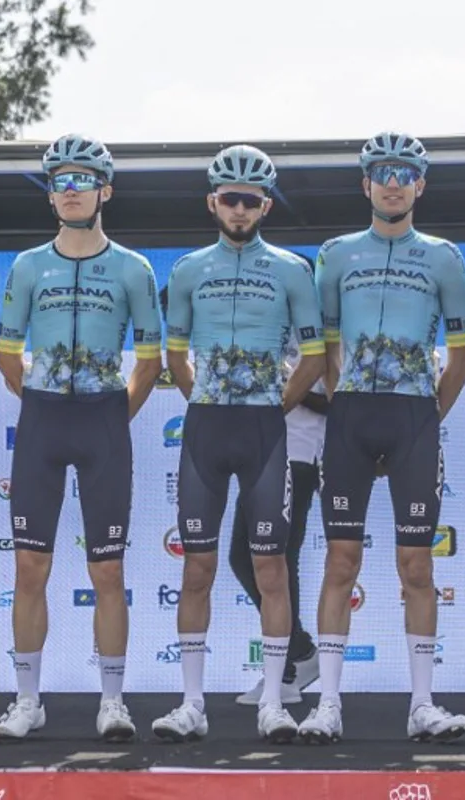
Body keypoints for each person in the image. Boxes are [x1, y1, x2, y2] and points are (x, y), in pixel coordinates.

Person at [299, 132, 465, 745]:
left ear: (420, 185)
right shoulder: (336, 253)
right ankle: (327, 704)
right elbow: (323, 346)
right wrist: (343, 398)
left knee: (415, 564)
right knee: (340, 561)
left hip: (413, 420)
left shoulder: (444, 257)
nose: (393, 181)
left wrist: (428, 415)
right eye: (382, 172)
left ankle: (422, 703)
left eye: (405, 172)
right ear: (365, 183)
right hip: (349, 418)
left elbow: (460, 354)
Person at [0, 134, 163, 743]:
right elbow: (7, 354)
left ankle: (112, 701)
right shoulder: (27, 265)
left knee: (107, 572)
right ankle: (27, 700)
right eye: (59, 181)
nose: (69, 191)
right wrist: (39, 402)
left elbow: (148, 358)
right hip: (42, 419)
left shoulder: (133, 269)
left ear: (104, 191)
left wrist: (116, 412)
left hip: (102, 422)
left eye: (81, 180)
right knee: (29, 566)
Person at [152, 145, 326, 744]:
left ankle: (275, 701)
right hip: (206, 426)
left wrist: (276, 404)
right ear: (213, 202)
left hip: (263, 431)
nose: (240, 208)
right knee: (198, 568)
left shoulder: (291, 270)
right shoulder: (187, 270)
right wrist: (201, 396)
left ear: (266, 206)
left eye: (252, 200)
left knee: (271, 568)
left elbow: (316, 354)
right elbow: (173, 353)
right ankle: (191, 702)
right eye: (231, 198)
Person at [232, 258, 326, 706]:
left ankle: (287, 672)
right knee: (241, 558)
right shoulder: (265, 326)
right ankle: (300, 651)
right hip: (257, 453)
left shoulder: (321, 327)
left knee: (277, 560)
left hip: (301, 454)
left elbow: (335, 400)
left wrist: (289, 383)